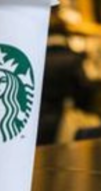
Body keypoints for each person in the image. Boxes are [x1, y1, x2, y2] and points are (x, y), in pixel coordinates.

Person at [38, 12, 92, 144]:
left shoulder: (36, 57)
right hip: (60, 119)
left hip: (32, 118)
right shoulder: (73, 59)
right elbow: (83, 89)